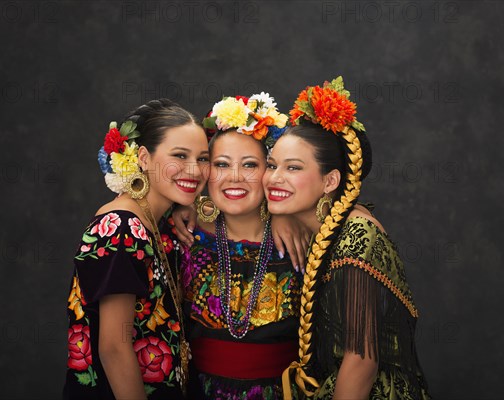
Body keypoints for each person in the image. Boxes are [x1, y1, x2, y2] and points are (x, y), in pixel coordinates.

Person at [265, 78, 431, 399]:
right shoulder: (319, 220)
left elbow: (361, 360)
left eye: (293, 167)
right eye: (272, 165)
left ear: (330, 181)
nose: (274, 178)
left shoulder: (357, 233)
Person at [63, 99, 210, 400]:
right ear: (143, 157)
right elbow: (114, 348)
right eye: (180, 156)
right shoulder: (121, 227)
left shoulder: (161, 222)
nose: (195, 171)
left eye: (203, 158)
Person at [180, 93, 303, 399]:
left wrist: (283, 213)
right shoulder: (185, 235)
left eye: (250, 165)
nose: (234, 177)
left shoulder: (299, 239)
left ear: (269, 170)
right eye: (221, 164)